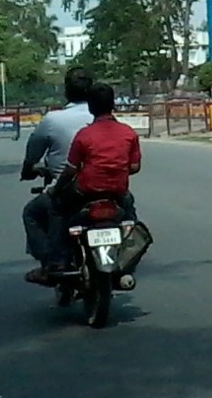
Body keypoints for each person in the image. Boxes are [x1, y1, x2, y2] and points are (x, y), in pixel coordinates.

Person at [27, 83, 141, 285]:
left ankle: (56, 261)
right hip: (117, 192)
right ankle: (127, 261)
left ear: (90, 107)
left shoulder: (85, 135)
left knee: (56, 209)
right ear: (113, 104)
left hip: (84, 191)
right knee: (130, 217)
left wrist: (55, 189)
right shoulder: (128, 133)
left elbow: (70, 170)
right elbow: (134, 167)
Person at [20, 67, 98, 271]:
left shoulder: (53, 119)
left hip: (69, 190)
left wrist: (28, 170)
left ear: (66, 91)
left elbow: (33, 153)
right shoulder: (104, 119)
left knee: (32, 213)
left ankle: (51, 262)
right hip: (108, 187)